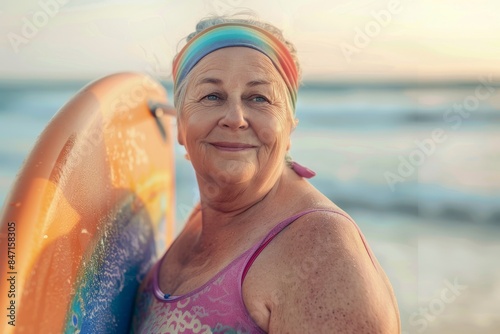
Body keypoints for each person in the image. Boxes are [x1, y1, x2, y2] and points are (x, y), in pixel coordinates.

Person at [131, 14, 400, 334]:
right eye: (211, 96)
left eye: (258, 98)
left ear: (289, 129)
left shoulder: (320, 251)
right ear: (181, 126)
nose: (235, 118)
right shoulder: (201, 222)